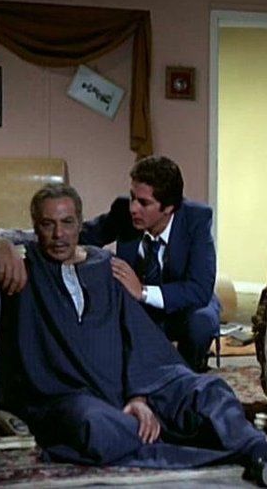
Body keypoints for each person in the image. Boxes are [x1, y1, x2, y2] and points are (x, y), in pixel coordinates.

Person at [0, 183, 267, 487]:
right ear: (34, 227)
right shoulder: (24, 266)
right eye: (47, 224)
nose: (58, 235)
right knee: (97, 427)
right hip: (70, 395)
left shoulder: (106, 266)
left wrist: (138, 395)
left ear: (80, 223)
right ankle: (248, 455)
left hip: (133, 382)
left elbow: (136, 335)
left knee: (207, 391)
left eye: (67, 223)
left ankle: (260, 449)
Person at [79, 156, 221, 373]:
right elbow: (80, 236)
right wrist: (25, 240)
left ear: (169, 207)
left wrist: (143, 292)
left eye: (144, 203)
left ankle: (189, 373)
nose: (133, 208)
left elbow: (199, 289)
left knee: (201, 322)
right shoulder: (123, 212)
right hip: (139, 309)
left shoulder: (196, 220)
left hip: (184, 306)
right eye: (132, 198)